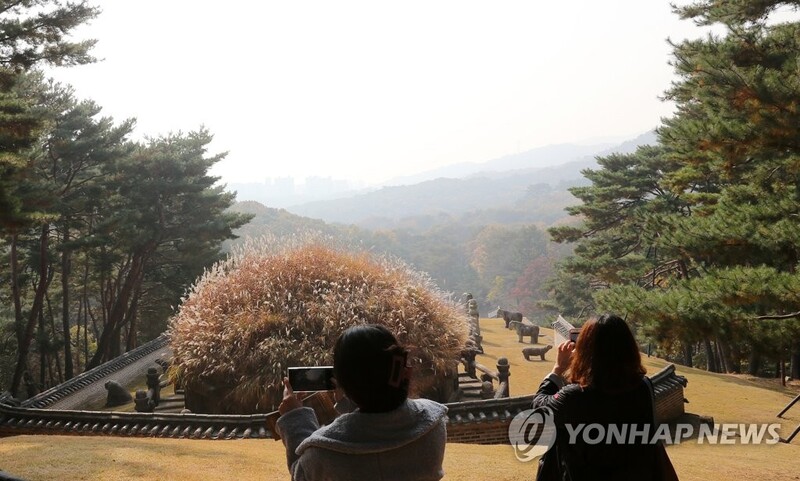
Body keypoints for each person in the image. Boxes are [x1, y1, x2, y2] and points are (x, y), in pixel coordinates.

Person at [276, 323, 448, 481]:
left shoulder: (322, 454)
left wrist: (295, 418)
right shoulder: (433, 425)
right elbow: (379, 424)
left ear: (340, 381)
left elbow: (302, 473)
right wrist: (349, 401)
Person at [532, 314, 678, 481]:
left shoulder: (575, 397)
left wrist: (557, 369)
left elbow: (539, 407)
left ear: (585, 351)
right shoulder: (644, 387)